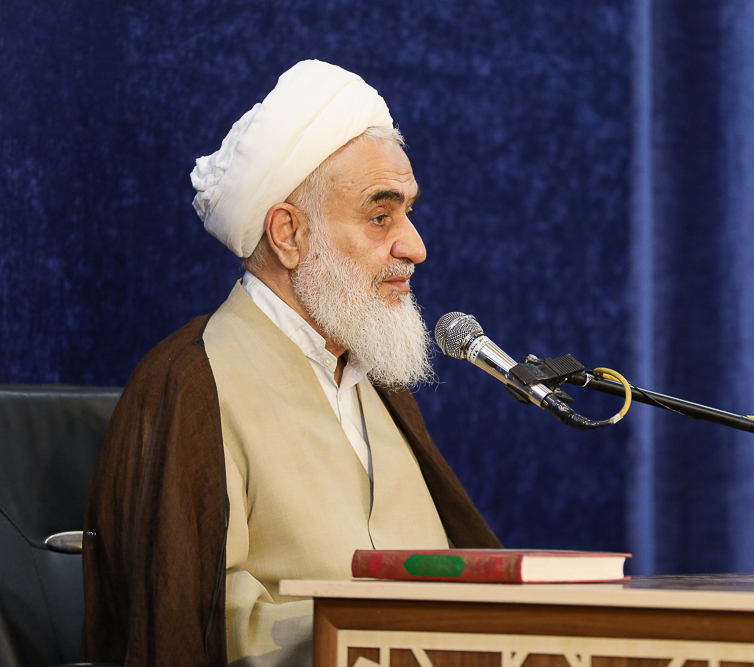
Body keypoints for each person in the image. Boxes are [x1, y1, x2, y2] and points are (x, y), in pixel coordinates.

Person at [82, 60, 501, 667]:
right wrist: (403, 638)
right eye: (380, 216)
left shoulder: (380, 385)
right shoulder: (192, 382)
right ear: (288, 234)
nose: (415, 246)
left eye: (408, 213)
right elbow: (193, 625)